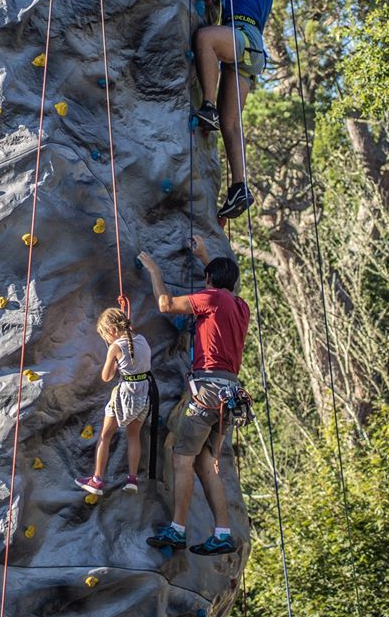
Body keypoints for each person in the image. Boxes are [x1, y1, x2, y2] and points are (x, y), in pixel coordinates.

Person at [137, 236, 250, 556]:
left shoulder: (211, 298)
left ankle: (177, 529)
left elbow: (165, 305)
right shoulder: (241, 307)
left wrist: (155, 271)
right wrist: (206, 258)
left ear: (210, 282)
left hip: (206, 390)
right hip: (229, 393)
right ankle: (223, 531)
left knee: (181, 457)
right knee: (203, 461)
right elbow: (224, 288)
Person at [193, 0, 273, 220]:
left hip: (243, 36)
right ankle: (240, 186)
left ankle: (206, 104)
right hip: (251, 51)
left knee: (207, 38)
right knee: (231, 124)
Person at [74, 308, 152, 497]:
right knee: (134, 437)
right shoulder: (142, 340)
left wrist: (114, 363)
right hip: (144, 393)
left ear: (111, 330)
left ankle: (97, 479)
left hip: (124, 395)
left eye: (104, 335)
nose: (106, 340)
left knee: (105, 436)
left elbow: (106, 377)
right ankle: (132, 479)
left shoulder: (116, 347)